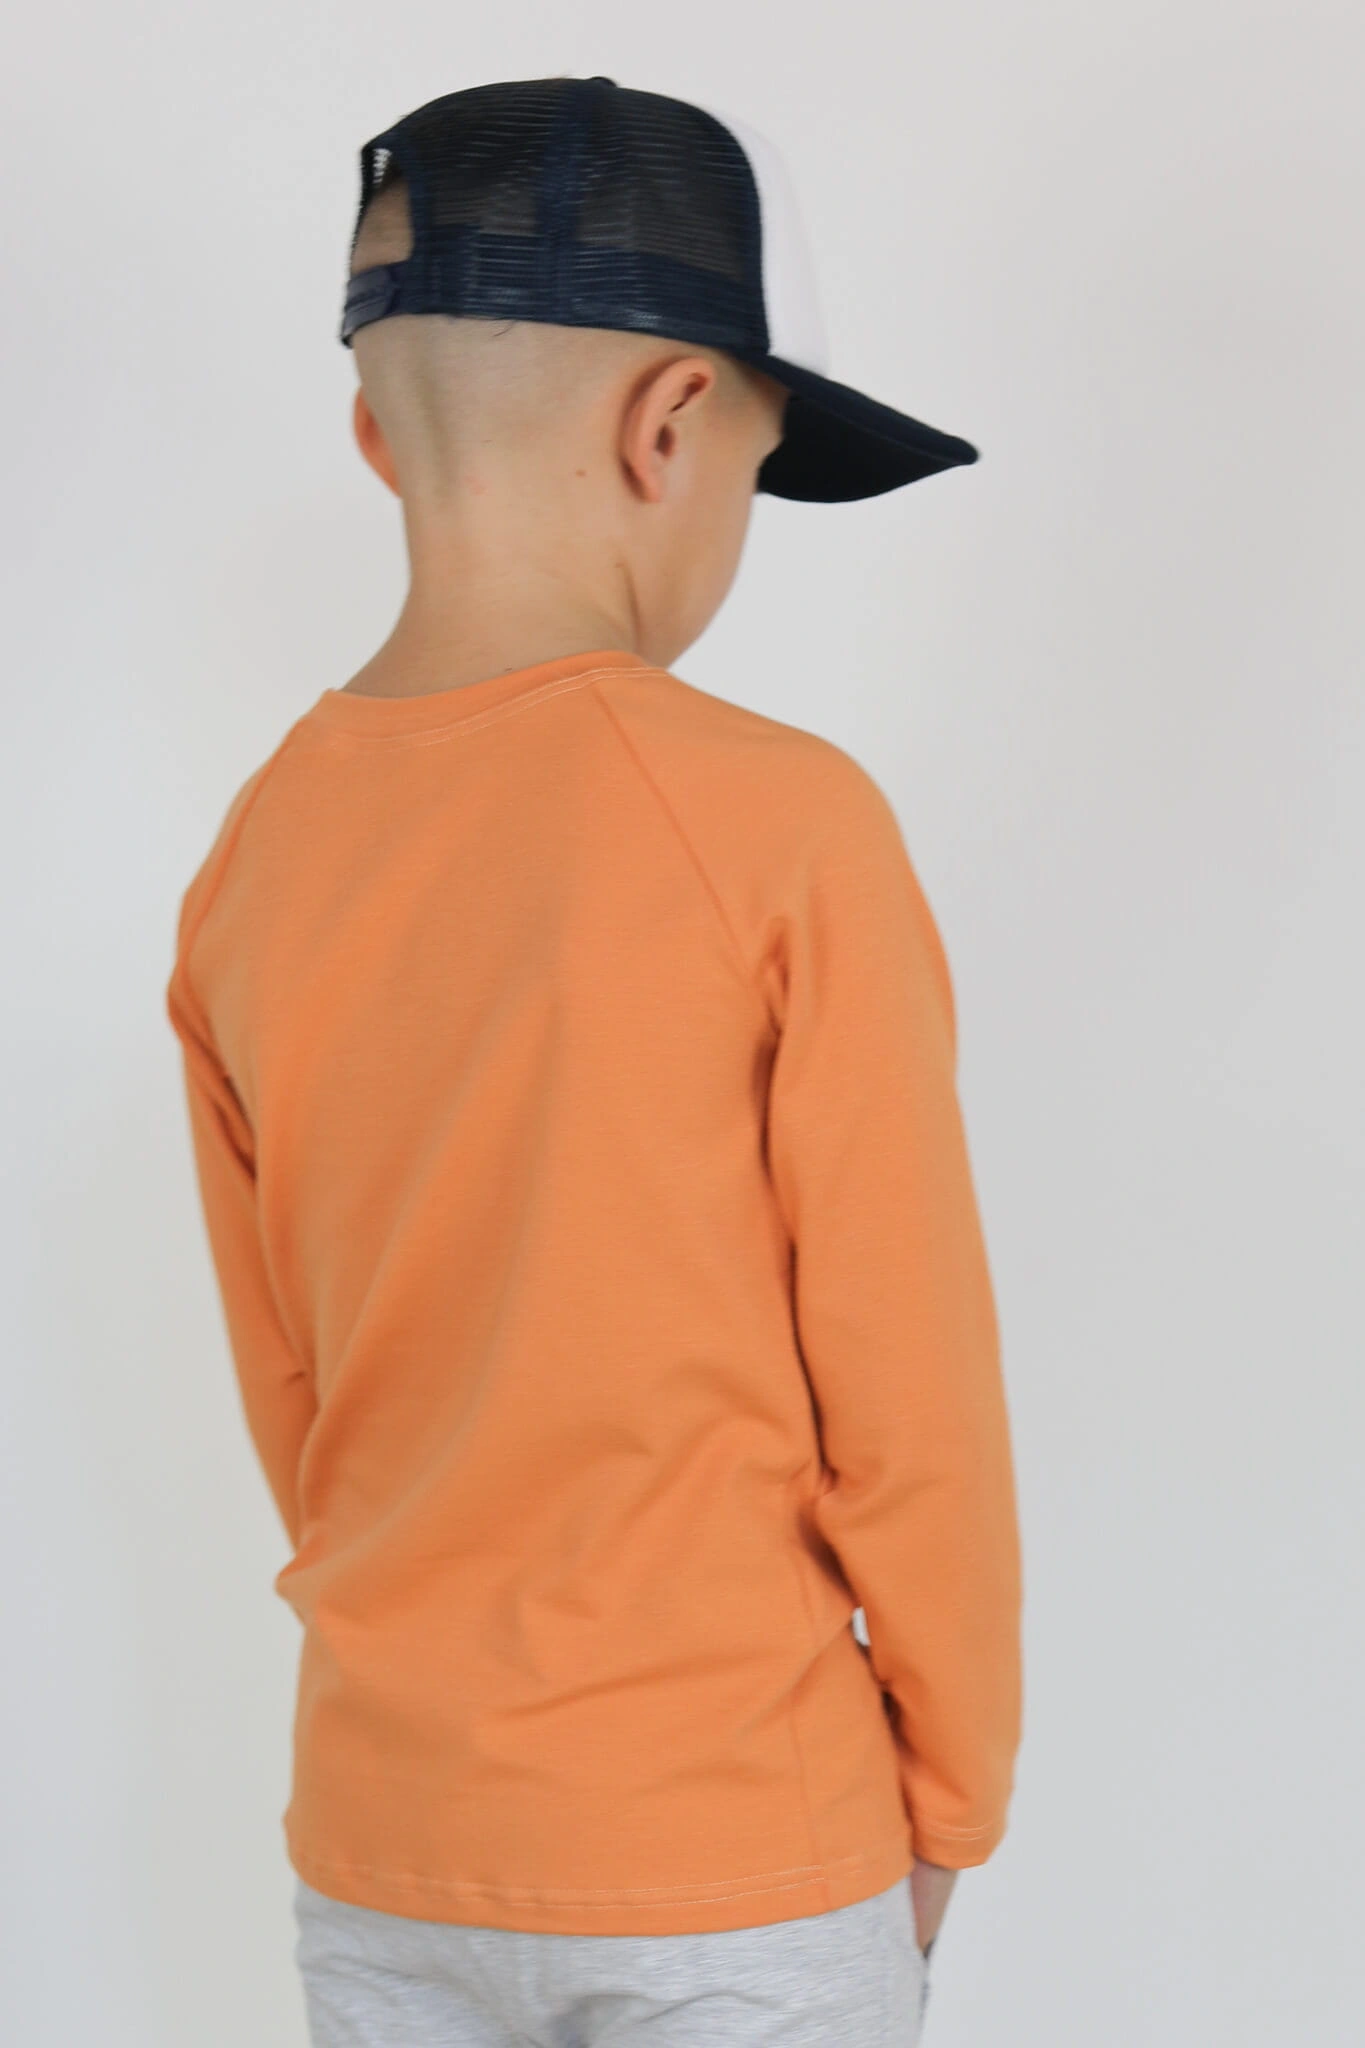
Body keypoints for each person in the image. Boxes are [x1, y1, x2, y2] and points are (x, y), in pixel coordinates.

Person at [164, 75, 1023, 2046]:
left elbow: (300, 1406)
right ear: (670, 427)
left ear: (378, 433)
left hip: (387, 1845)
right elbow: (908, 1395)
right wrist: (950, 1797)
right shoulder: (781, 825)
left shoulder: (254, 858)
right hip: (732, 1853)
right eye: (758, 473)